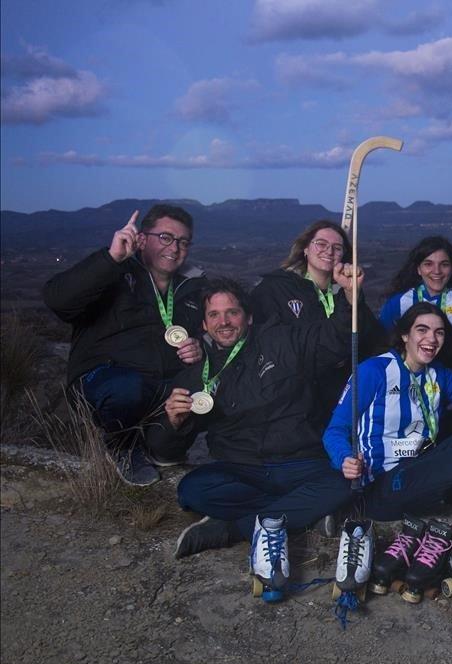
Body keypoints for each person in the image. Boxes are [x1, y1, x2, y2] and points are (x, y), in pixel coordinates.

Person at [150, 275, 367, 603]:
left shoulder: (281, 341)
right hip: (244, 469)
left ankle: (230, 529)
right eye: (214, 315)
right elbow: (165, 449)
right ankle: (302, 513)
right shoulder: (198, 374)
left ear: (248, 317)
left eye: (232, 313)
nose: (224, 322)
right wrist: (173, 421)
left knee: (344, 484)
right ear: (205, 326)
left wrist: (350, 300)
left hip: (299, 460)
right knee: (192, 489)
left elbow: (331, 338)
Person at [323, 302, 452, 609]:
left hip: (420, 465)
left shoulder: (437, 375)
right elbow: (335, 429)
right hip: (383, 484)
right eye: (422, 330)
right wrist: (344, 459)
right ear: (404, 335)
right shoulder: (374, 371)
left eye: (439, 332)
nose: (432, 338)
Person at [43, 205, 205, 486]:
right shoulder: (115, 272)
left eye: (183, 241)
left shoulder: (190, 289)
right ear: (142, 239)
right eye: (166, 237)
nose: (175, 247)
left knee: (205, 392)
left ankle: (162, 449)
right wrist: (111, 258)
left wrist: (198, 347)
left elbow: (201, 338)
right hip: (104, 380)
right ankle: (122, 446)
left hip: (157, 386)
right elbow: (58, 300)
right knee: (128, 387)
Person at [249, 220, 384, 417]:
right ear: (305, 248)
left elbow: (371, 339)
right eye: (321, 244)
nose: (329, 251)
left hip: (341, 396)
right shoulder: (274, 289)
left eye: (337, 248)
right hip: (294, 402)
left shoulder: (345, 290)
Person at [378, 235, 452, 339]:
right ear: (418, 269)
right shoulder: (398, 302)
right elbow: (380, 341)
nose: (437, 271)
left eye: (444, 264)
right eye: (428, 264)